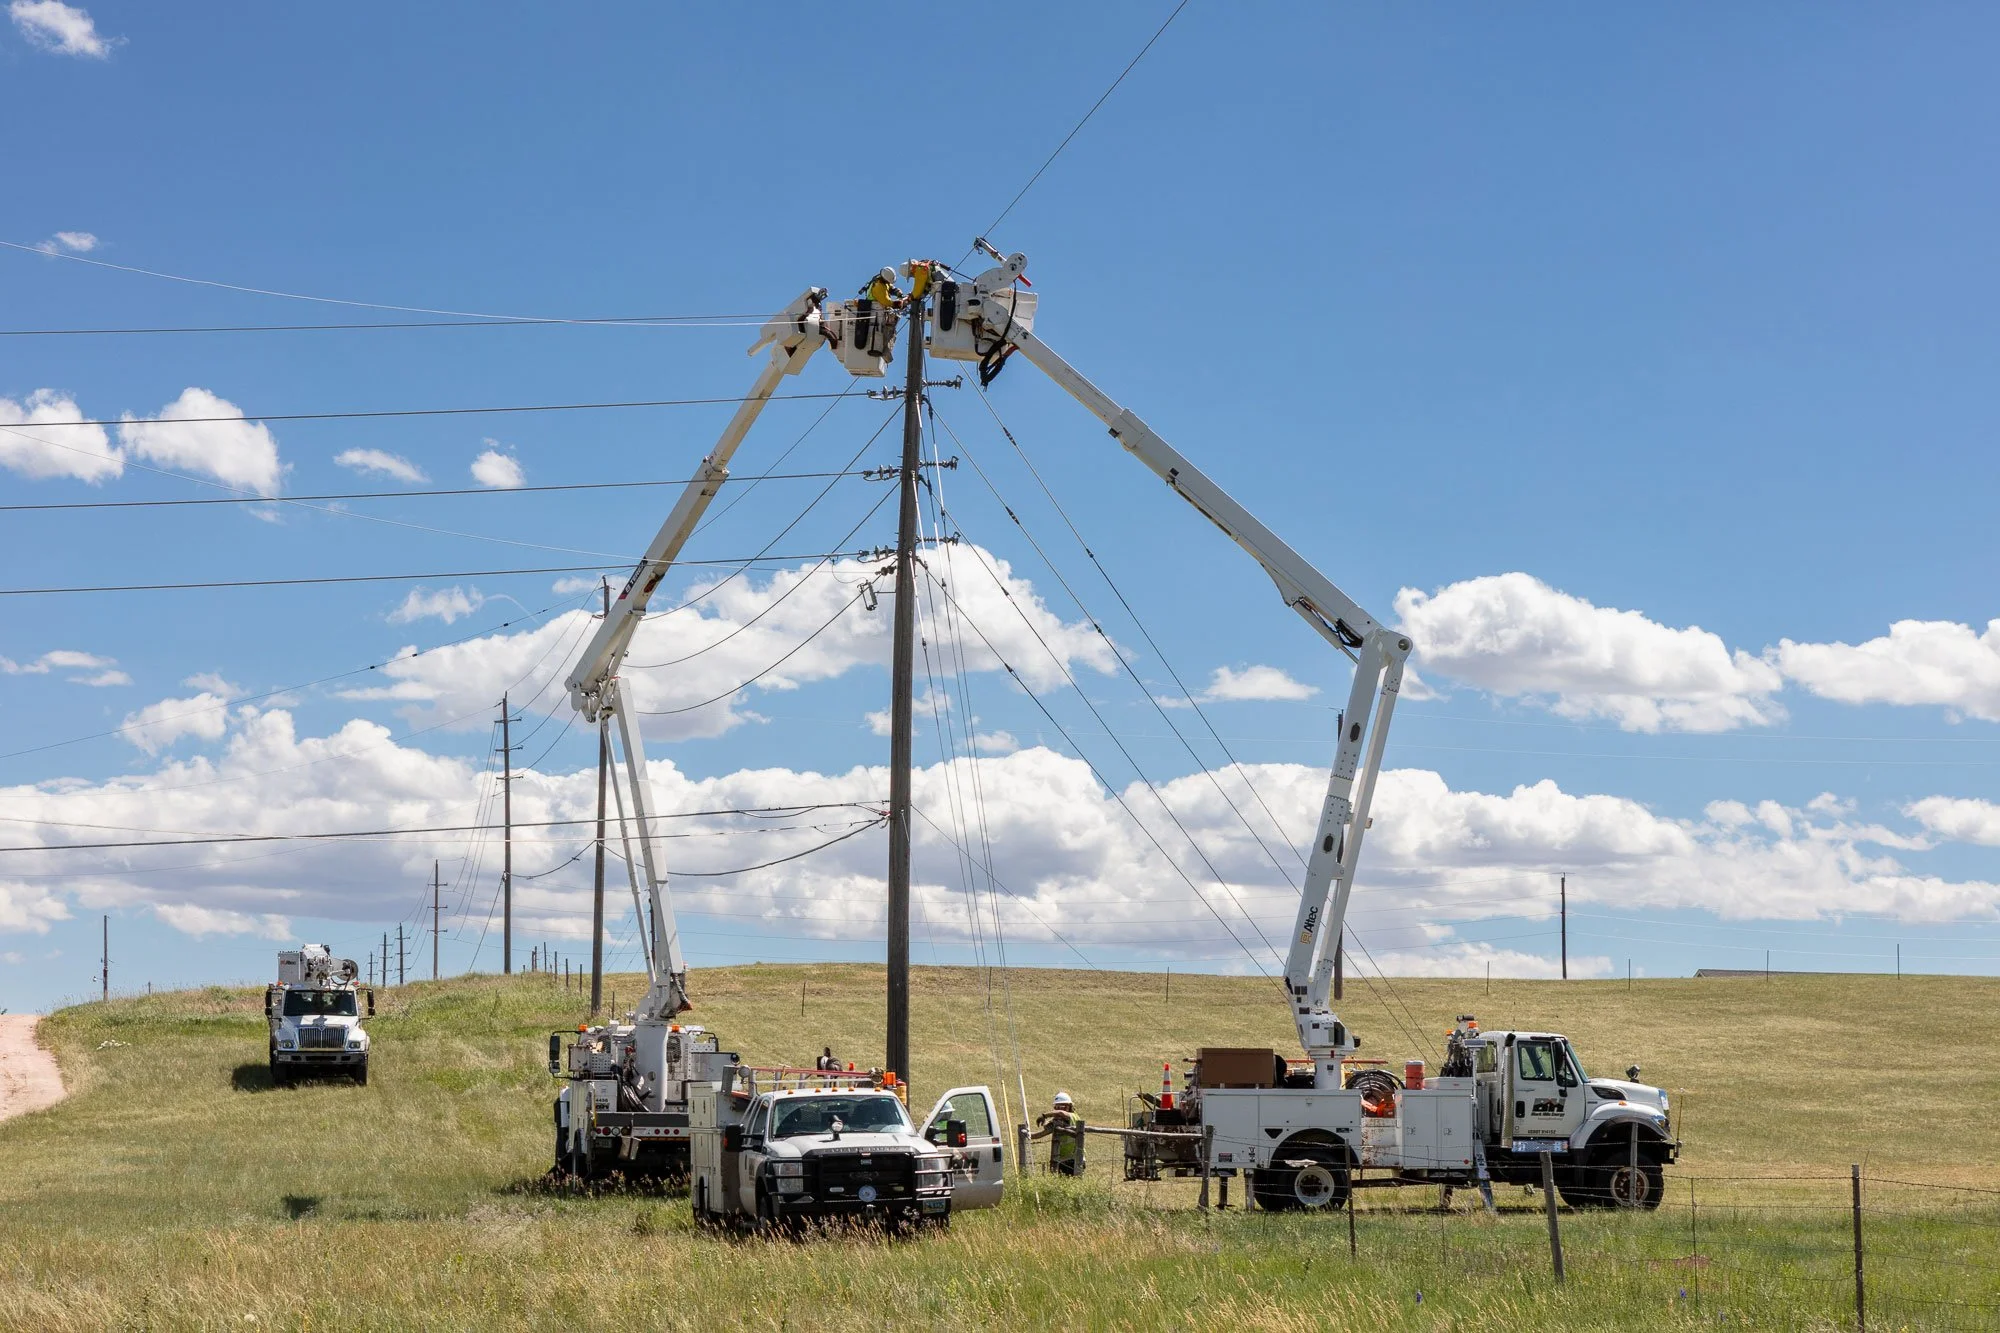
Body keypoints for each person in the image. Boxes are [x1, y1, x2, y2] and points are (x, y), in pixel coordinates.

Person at [1037, 1091, 1082, 1176]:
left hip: (1074, 1159)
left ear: (1069, 1106)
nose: (1059, 1109)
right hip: (1061, 1160)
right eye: (1057, 1107)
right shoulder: (1057, 1121)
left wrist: (1044, 1116)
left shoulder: (1073, 1116)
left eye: (1063, 1106)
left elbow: (1061, 1113)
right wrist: (1048, 1123)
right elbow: (1045, 1129)